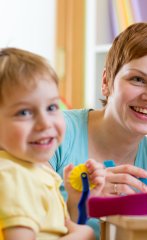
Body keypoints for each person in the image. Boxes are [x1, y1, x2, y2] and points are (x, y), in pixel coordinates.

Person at [49, 22, 147, 238]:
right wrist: (76, 205)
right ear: (106, 81)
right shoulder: (55, 131)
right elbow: (18, 214)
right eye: (137, 79)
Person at [0, 48, 95, 239]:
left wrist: (75, 203)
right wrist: (83, 236)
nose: (45, 123)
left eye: (52, 107)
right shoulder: (13, 176)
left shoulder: (34, 171)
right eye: (24, 112)